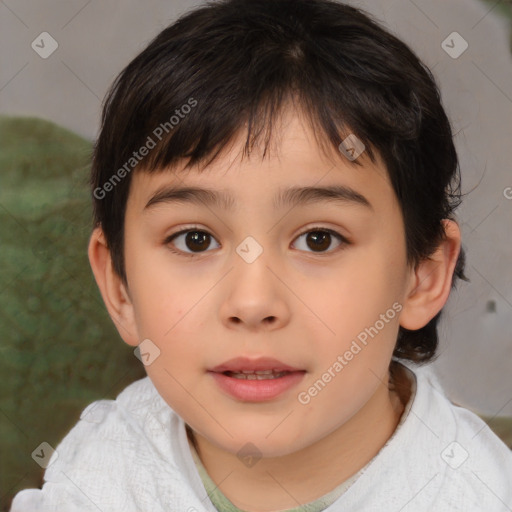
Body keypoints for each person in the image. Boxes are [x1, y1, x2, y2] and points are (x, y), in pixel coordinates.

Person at [10, 0, 512, 510]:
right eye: (195, 240)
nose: (252, 303)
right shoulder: (98, 472)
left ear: (422, 275)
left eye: (319, 239)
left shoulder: (477, 493)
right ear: (120, 286)